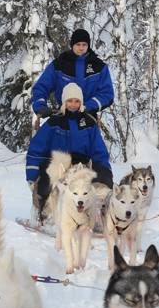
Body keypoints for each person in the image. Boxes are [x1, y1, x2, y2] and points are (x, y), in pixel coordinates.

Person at [26, 82, 114, 221]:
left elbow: (98, 150)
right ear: (64, 102)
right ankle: (44, 214)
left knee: (91, 187)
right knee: (45, 183)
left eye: (77, 101)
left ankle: (94, 217)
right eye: (70, 101)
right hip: (57, 164)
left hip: (80, 165)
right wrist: (32, 175)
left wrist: (104, 171)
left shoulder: (88, 122)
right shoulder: (54, 122)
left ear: (81, 102)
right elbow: (37, 148)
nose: (73, 104)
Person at [31, 28, 115, 118]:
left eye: (84, 44)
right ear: (72, 45)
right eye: (78, 44)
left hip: (88, 117)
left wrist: (87, 106)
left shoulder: (99, 66)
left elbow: (107, 94)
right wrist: (40, 106)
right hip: (63, 116)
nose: (81, 48)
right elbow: (41, 87)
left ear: (88, 45)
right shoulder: (59, 64)